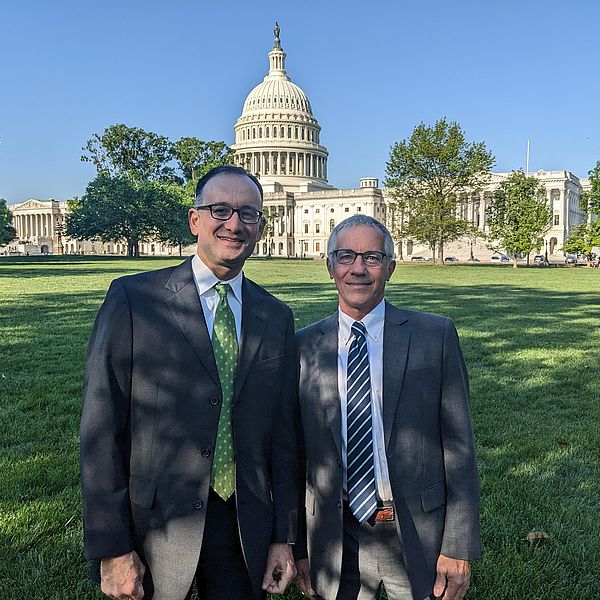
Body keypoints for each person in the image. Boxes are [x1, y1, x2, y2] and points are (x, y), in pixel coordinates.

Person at [80, 166, 299, 600]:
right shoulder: (134, 299)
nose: (234, 224)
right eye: (220, 210)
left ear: (259, 225)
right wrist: (113, 548)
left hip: (242, 523)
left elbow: (283, 436)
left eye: (248, 214)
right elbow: (101, 429)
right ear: (195, 219)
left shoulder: (275, 316)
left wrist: (283, 535)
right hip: (155, 523)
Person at [294, 215, 480, 600]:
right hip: (335, 534)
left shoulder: (435, 336)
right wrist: (299, 547)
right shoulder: (302, 347)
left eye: (372, 258)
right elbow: (292, 456)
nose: (358, 269)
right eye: (346, 256)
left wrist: (457, 545)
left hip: (415, 529)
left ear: (391, 267)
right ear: (329, 266)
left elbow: (459, 446)